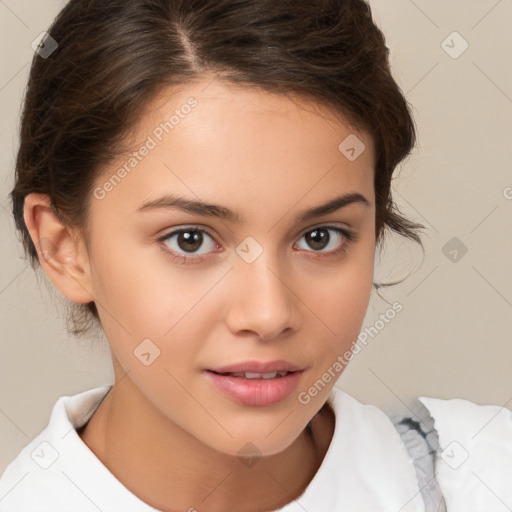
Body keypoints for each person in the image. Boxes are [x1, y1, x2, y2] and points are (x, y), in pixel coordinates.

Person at [1, 0, 511, 511]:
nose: (269, 314)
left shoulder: (486, 477)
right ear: (64, 248)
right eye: (191, 240)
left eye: (320, 237)